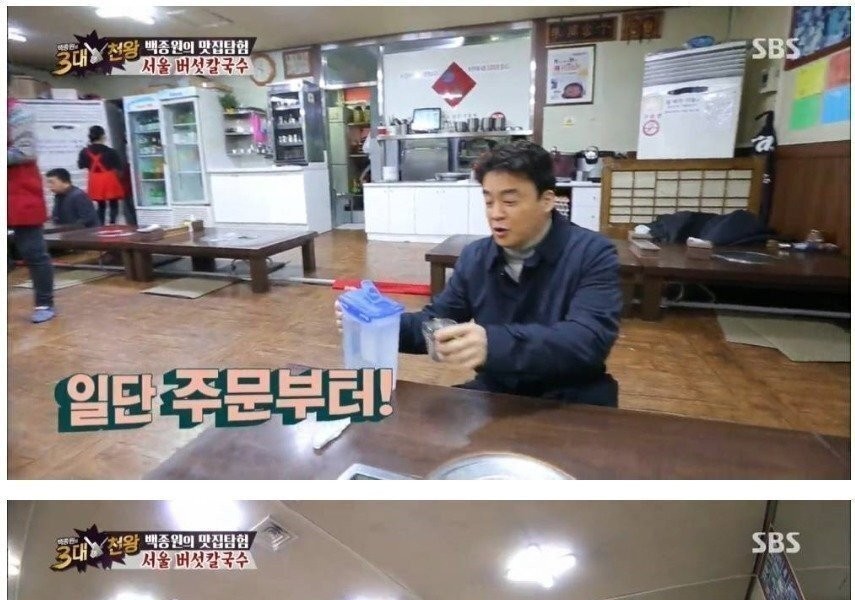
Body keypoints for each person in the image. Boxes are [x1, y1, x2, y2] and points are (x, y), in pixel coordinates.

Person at [335, 141, 623, 407]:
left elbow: (587, 340)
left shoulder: (592, 253)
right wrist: (377, 323)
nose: (496, 213)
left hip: (572, 398)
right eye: (488, 201)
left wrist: (493, 345)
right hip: (497, 391)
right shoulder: (477, 257)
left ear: (547, 201)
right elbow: (436, 323)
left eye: (509, 201)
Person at [8, 96, 56, 323]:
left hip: (19, 191)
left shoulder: (17, 111)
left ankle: (44, 302)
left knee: (33, 252)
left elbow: (25, 152)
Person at [78, 125, 125, 225]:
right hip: (109, 179)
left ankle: (101, 224)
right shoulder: (111, 151)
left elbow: (81, 165)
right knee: (113, 202)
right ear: (103, 136)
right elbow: (119, 166)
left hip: (95, 179)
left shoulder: (84, 152)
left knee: (100, 204)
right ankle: (113, 223)